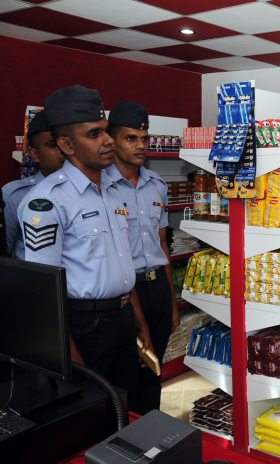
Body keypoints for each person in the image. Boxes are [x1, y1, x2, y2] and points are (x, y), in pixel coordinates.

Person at [17, 85, 152, 408]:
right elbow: (45, 292)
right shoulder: (47, 201)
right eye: (94, 134)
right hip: (84, 326)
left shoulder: (113, 190)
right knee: (93, 411)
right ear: (67, 145)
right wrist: (70, 359)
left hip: (122, 316)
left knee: (127, 403)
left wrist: (138, 319)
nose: (108, 140)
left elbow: (122, 262)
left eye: (106, 130)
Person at [106, 101, 180, 415]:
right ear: (111, 140)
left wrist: (171, 301)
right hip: (125, 292)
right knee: (127, 375)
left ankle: (152, 430)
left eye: (144, 138)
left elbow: (162, 244)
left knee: (153, 369)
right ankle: (129, 435)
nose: (140, 145)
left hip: (157, 287)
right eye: (130, 138)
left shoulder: (156, 185)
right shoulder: (103, 188)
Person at [2, 111, 64, 257]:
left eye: (68, 143)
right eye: (53, 145)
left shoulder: (94, 189)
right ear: (34, 154)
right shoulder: (15, 195)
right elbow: (4, 256)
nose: (64, 151)